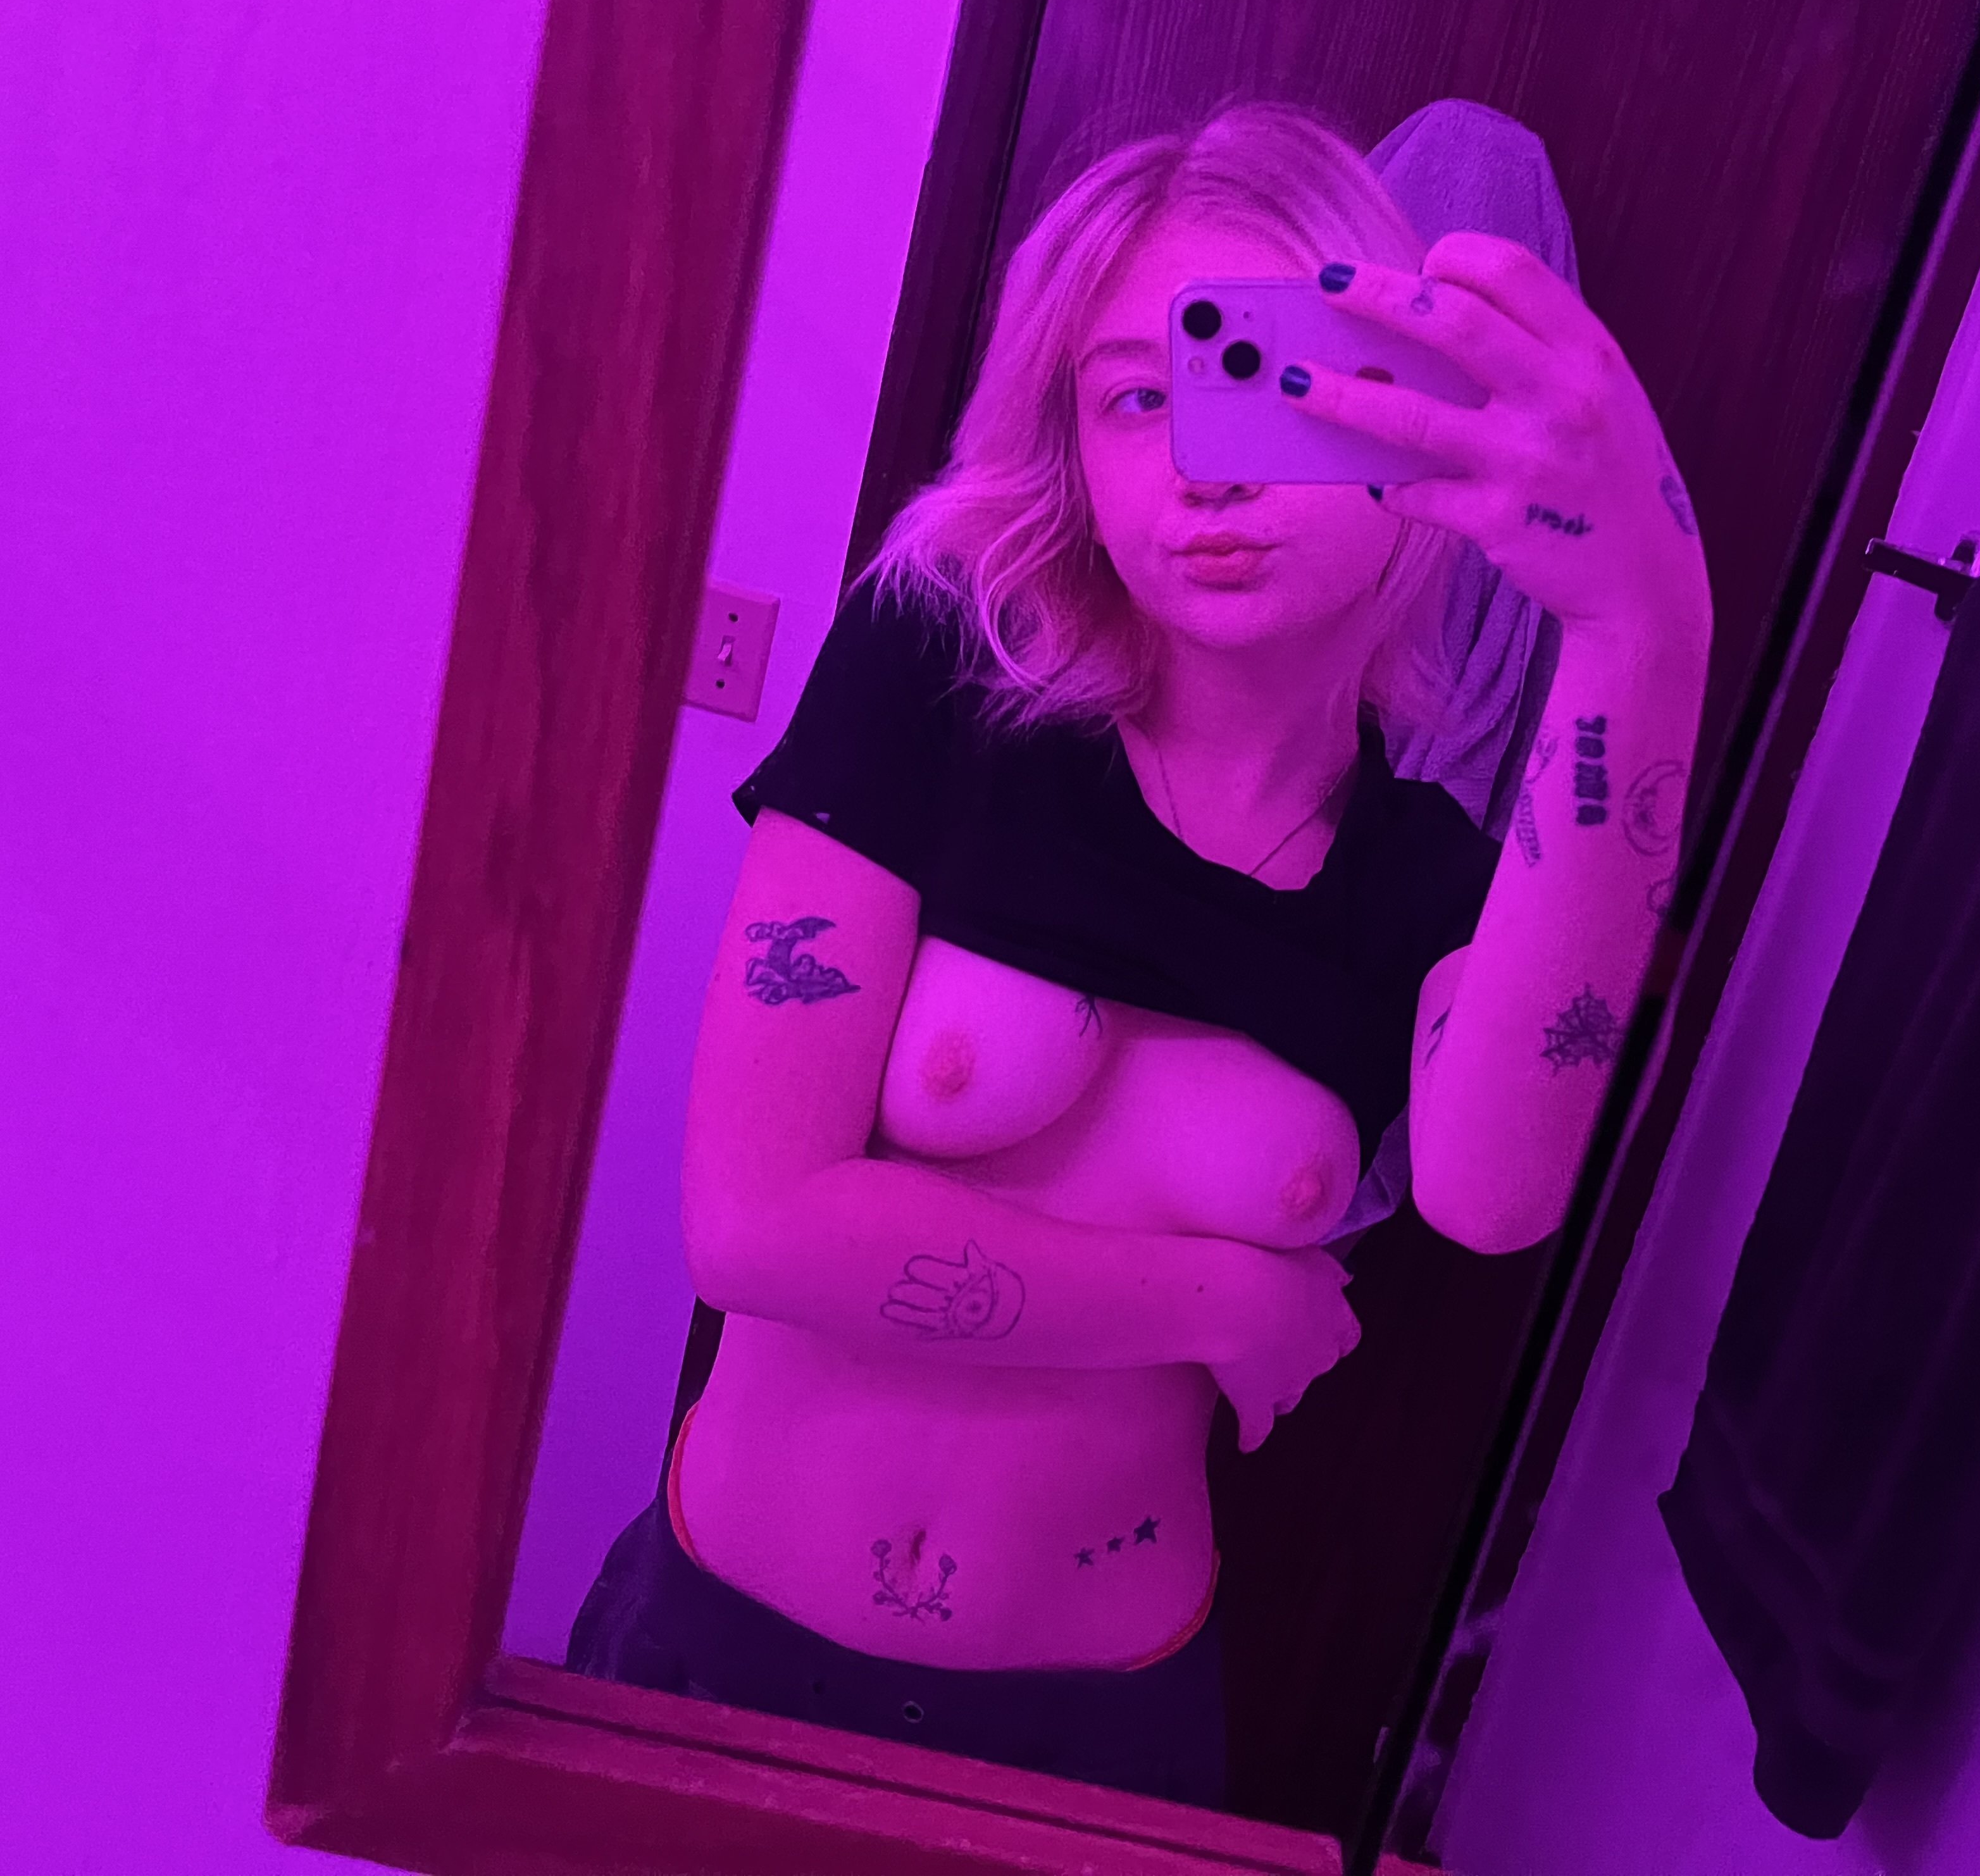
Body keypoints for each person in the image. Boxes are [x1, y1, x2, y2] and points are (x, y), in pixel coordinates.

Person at [565, 97, 1712, 1810]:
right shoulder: (939, 673)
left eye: (1275, 384)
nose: (1205, 466)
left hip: (1102, 1727)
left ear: (1411, 422)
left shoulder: (1427, 877)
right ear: (1076, 454)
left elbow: (1494, 1197)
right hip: (725, 1644)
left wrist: (1645, 623)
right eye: (1132, 398)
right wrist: (1224, 1297)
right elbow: (753, 1224)